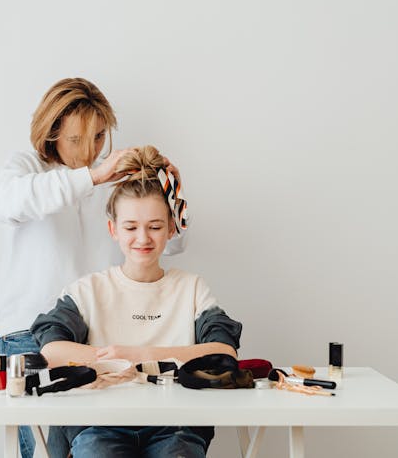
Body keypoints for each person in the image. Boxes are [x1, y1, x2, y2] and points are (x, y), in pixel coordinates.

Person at [0, 79, 185, 457]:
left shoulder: (108, 177)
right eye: (77, 139)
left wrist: (172, 195)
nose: (90, 150)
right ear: (52, 132)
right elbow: (6, 204)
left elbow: (173, 244)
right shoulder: (25, 168)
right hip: (26, 333)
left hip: (93, 334)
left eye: (98, 137)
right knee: (44, 452)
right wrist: (93, 177)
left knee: (89, 448)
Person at [30, 146, 242, 458]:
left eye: (155, 227)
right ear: (113, 229)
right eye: (130, 227)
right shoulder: (88, 290)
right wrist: (121, 361)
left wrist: (139, 355)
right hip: (99, 425)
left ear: (171, 228)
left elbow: (223, 352)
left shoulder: (192, 288)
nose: (143, 238)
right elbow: (52, 349)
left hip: (176, 427)